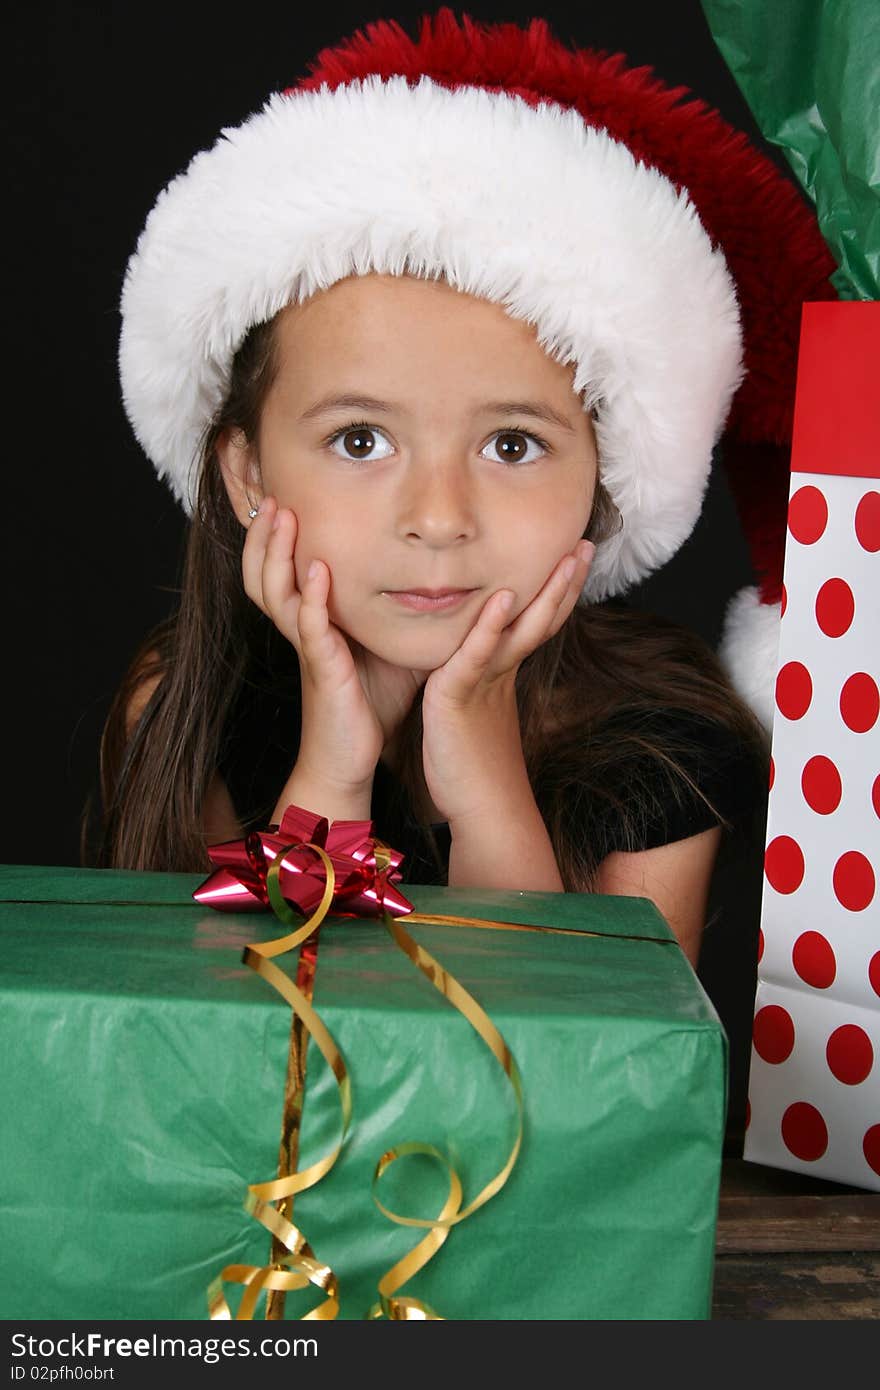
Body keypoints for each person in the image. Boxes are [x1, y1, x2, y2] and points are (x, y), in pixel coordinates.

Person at [84, 9, 836, 969]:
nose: (438, 519)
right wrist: (333, 767)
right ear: (245, 473)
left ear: (607, 478)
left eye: (513, 446)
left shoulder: (664, 749)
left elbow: (569, 1083)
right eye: (361, 440)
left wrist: (484, 778)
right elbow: (253, 1049)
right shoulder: (184, 709)